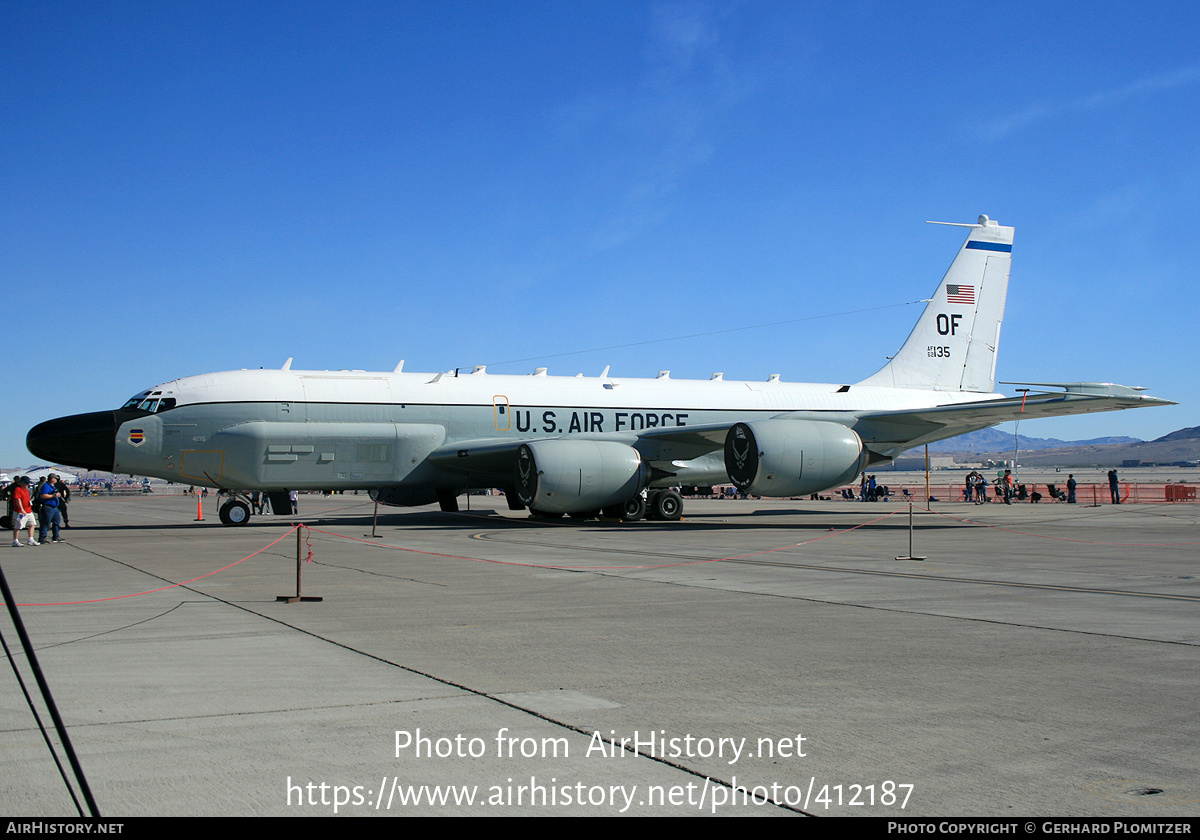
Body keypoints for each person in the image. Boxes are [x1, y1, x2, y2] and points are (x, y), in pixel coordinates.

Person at [10, 476, 39, 546]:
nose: (27, 485)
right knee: (18, 526)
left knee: (32, 524)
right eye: (26, 483)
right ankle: (15, 540)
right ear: (21, 483)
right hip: (20, 512)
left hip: (28, 510)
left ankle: (30, 539)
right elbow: (18, 500)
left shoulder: (26, 490)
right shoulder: (17, 489)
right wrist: (21, 509)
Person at [38, 474, 64, 544]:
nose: (56, 480)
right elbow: (43, 495)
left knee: (57, 522)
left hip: (55, 507)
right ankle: (42, 538)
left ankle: (56, 536)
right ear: (52, 479)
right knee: (46, 522)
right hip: (48, 507)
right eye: (55, 479)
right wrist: (53, 495)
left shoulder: (53, 486)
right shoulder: (45, 486)